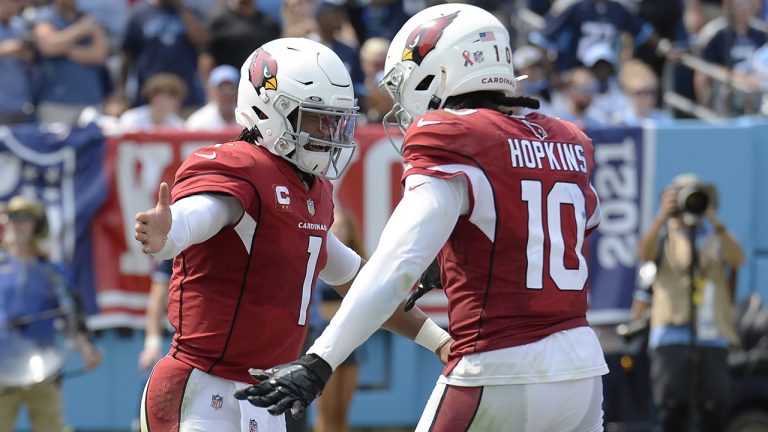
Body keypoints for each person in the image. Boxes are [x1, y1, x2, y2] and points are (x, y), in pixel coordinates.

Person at [236, 5, 608, 431]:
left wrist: (319, 361)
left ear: (443, 71)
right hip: (582, 369)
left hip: (499, 365)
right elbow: (573, 225)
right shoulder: (566, 138)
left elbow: (395, 265)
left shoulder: (455, 136)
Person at [133, 37, 451, 432]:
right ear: (271, 112)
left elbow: (368, 286)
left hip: (267, 395)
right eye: (318, 118)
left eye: (338, 119)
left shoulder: (312, 191)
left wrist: (440, 341)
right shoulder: (243, 168)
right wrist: (171, 233)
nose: (332, 132)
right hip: (202, 387)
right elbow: (204, 212)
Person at [633, 174, 744, 432]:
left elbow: (737, 259)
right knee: (671, 410)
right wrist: (663, 216)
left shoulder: (716, 235)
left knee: (713, 408)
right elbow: (643, 253)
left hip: (712, 333)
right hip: (671, 332)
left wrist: (713, 218)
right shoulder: (665, 236)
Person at [0, 195, 102, 432]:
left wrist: (87, 348)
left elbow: (71, 315)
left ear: (37, 225)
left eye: (23, 218)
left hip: (42, 371)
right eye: (10, 217)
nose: (14, 223)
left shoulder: (53, 272)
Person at [312, 210, 364, 432]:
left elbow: (366, 304)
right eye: (334, 225)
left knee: (343, 412)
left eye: (343, 226)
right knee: (326, 412)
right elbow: (316, 308)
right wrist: (349, 310)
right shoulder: (317, 260)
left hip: (350, 343)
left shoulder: (356, 264)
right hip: (323, 342)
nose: (338, 230)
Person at [119, 73, 187, 130]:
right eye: (170, 97)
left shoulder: (178, 124)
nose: (176, 102)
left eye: (176, 98)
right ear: (154, 96)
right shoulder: (131, 119)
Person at [186, 64, 239, 131]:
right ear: (211, 90)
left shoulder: (248, 119)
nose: (227, 94)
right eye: (221, 88)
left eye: (231, 88)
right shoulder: (198, 122)